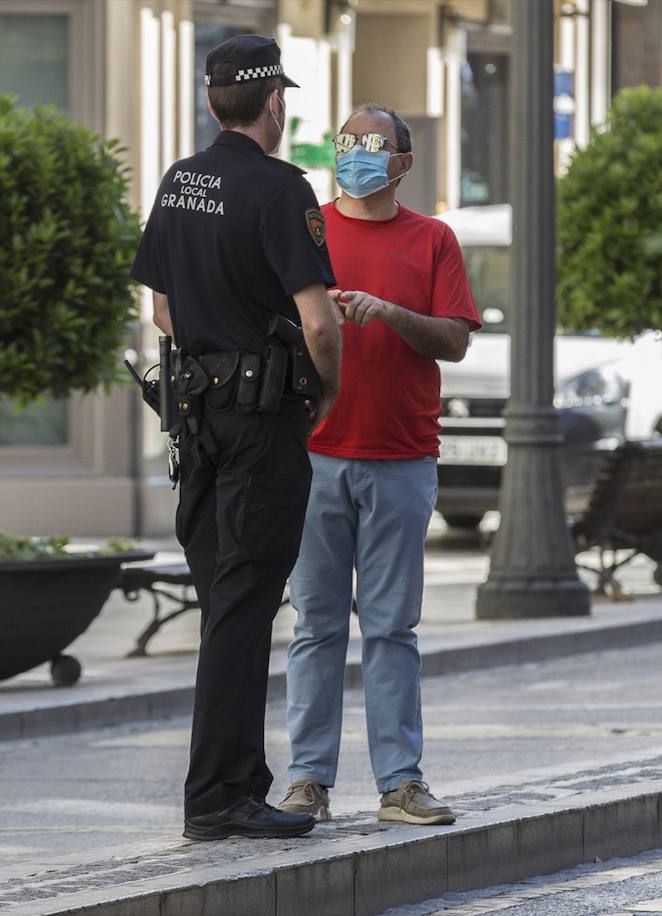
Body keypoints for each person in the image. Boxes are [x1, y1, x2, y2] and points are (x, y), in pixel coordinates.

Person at [131, 34, 343, 841]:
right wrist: (324, 391)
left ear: (214, 100)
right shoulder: (282, 189)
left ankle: (229, 786)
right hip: (260, 429)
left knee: (227, 604)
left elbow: (161, 311)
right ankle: (219, 796)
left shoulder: (180, 181)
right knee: (245, 609)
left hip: (196, 425)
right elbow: (320, 322)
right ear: (275, 103)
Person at [277, 105, 481, 826]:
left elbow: (455, 341)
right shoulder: (308, 232)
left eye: (373, 145)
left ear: (403, 162)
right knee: (316, 627)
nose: (357, 154)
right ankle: (307, 782)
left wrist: (387, 312)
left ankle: (401, 783)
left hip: (399, 459)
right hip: (315, 458)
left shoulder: (433, 240)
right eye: (347, 142)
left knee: (393, 628)